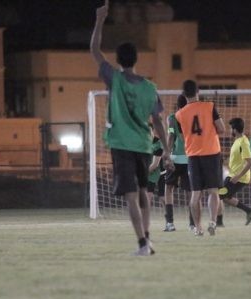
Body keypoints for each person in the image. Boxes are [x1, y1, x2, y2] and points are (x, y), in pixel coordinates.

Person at [90, 0, 171, 255]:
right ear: (136, 59)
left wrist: (100, 19)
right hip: (144, 146)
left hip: (122, 145)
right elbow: (158, 121)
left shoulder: (115, 79)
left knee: (131, 196)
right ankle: (148, 238)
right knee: (144, 191)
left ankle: (142, 244)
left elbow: (94, 50)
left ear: (118, 60)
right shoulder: (149, 88)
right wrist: (167, 150)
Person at [175, 79, 225, 236]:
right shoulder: (209, 106)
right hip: (212, 152)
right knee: (213, 191)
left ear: (184, 94)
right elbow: (222, 129)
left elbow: (182, 137)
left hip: (193, 155)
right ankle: (212, 222)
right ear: (198, 91)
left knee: (196, 193)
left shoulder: (179, 114)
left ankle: (198, 227)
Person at [163, 94, 194, 232]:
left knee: (168, 189)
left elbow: (170, 136)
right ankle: (192, 224)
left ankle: (170, 223)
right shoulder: (194, 117)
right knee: (191, 192)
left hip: (175, 159)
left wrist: (167, 155)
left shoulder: (171, 118)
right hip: (191, 158)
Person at [219, 118, 251, 224]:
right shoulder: (237, 141)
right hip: (232, 175)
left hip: (238, 177)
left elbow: (250, 162)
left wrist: (238, 176)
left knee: (217, 196)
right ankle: (249, 210)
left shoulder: (243, 142)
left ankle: (217, 222)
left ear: (234, 130)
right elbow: (236, 158)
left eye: (230, 128)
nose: (229, 131)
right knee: (225, 197)